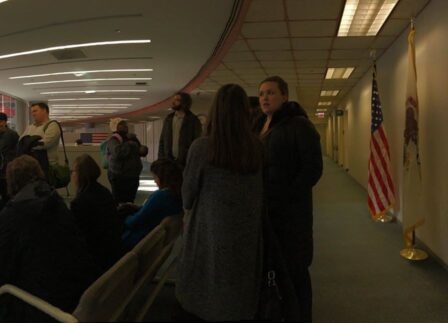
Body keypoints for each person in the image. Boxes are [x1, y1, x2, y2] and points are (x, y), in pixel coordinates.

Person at [176, 83, 265, 321]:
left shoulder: (202, 147)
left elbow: (187, 195)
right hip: (246, 232)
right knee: (239, 290)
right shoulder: (256, 146)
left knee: (208, 291)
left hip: (210, 233)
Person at [0, 155, 98, 323]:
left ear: (11, 181)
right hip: (76, 289)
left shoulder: (11, 214)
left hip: (42, 303)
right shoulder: (56, 200)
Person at [255, 76, 323, 320]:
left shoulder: (299, 126)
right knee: (272, 272)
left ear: (284, 96)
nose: (264, 97)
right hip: (265, 213)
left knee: (295, 272)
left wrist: (286, 196)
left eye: (271, 93)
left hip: (292, 216)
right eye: (261, 93)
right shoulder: (258, 125)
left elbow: (312, 169)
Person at [69, 154, 123, 273]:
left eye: (72, 171)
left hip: (97, 260)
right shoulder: (104, 192)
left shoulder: (80, 202)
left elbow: (79, 238)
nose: (71, 175)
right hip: (112, 252)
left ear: (79, 175)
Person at [120, 159, 183, 250]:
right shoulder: (177, 195)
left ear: (162, 178)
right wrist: (139, 208)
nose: (154, 181)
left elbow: (135, 221)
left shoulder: (160, 196)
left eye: (155, 177)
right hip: (152, 240)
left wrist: (124, 218)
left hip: (136, 239)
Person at [158, 92, 203, 165]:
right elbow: (162, 141)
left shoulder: (193, 120)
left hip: (185, 162)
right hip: (168, 161)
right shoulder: (169, 119)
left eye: (177, 100)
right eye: (174, 100)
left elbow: (197, 142)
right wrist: (161, 159)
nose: (173, 102)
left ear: (184, 102)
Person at [105, 120, 144, 204]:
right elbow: (118, 153)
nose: (125, 126)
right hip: (119, 176)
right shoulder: (113, 140)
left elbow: (141, 151)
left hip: (133, 175)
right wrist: (130, 144)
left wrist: (142, 148)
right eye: (121, 125)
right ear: (115, 127)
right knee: (119, 201)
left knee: (130, 201)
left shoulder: (131, 138)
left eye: (125, 124)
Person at [21, 102, 62, 176]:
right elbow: (20, 142)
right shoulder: (30, 127)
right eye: (32, 112)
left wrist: (28, 143)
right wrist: (31, 142)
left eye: (35, 111)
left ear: (44, 111)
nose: (33, 114)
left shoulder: (53, 125)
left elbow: (45, 143)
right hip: (31, 167)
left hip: (47, 167)